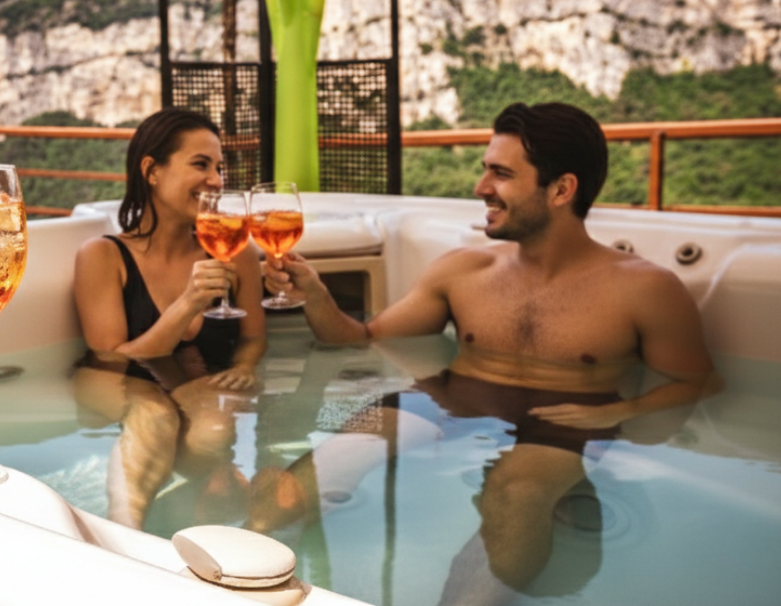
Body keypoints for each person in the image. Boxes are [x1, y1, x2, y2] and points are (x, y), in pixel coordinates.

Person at [253, 102, 721, 604]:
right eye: (484, 171)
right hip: (452, 398)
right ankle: (240, 577)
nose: (480, 188)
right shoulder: (463, 270)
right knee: (332, 460)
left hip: (563, 420)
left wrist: (618, 411)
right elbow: (359, 339)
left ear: (562, 189)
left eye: (500, 174)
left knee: (515, 496)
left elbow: (696, 383)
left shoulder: (645, 289)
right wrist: (314, 295)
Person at [72, 108, 266, 529]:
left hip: (190, 382)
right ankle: (125, 530)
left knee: (213, 432)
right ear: (152, 171)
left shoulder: (236, 251)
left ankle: (185, 497)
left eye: (219, 168)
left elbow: (252, 338)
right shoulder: (103, 256)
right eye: (201, 164)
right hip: (115, 379)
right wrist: (188, 303)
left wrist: (244, 368)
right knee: (156, 415)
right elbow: (111, 357)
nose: (216, 179)